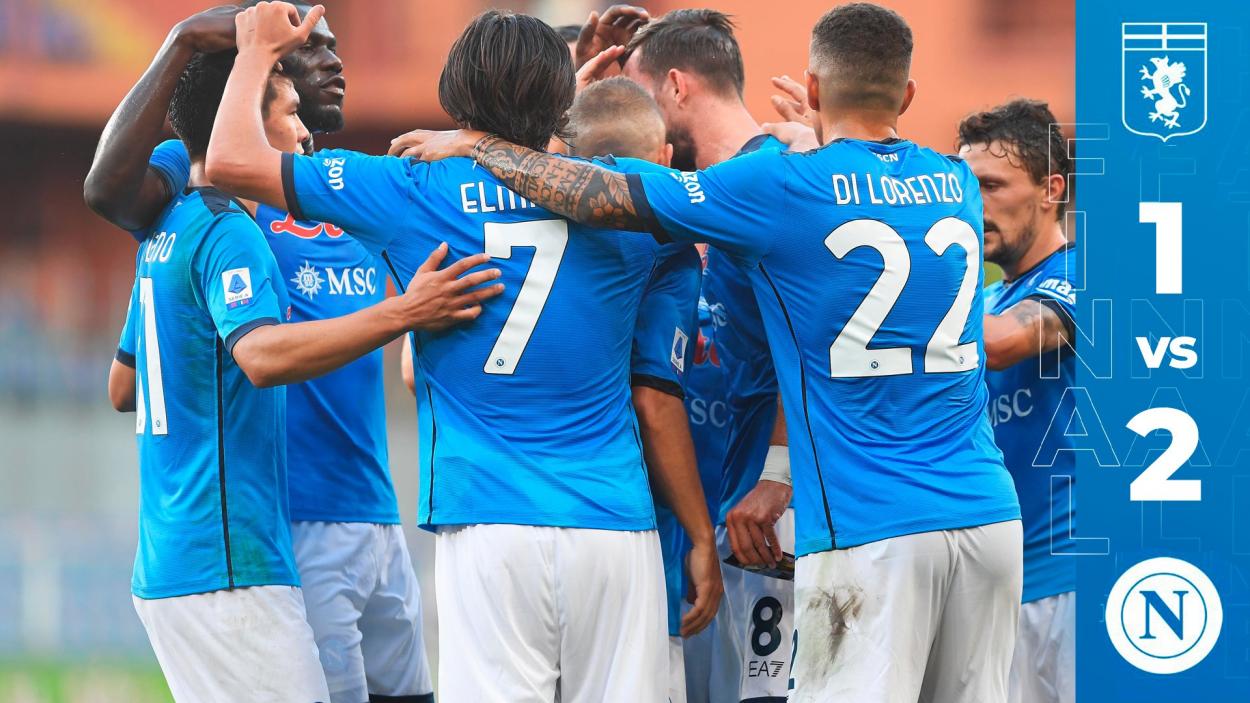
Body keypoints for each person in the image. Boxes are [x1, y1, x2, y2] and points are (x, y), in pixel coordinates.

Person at [397, 3, 1026, 701]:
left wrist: (481, 143)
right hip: (982, 509)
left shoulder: (774, 187)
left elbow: (605, 194)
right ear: (905, 96)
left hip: (852, 519)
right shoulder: (954, 184)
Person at [206, 5, 722, 702]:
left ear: (455, 94)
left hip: (488, 522)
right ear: (559, 107)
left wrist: (254, 52)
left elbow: (230, 161)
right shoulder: (629, 201)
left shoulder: (408, 188)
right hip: (614, 527)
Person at [105, 44, 499, 702]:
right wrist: (404, 312)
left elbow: (126, 383)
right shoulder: (224, 219)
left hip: (370, 514)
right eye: (309, 52)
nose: (334, 63)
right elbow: (253, 356)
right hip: (263, 534)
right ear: (246, 111)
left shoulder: (342, 193)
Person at [611, 11, 795, 702]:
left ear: (677, 87)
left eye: (637, 97)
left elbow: (808, 341)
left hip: (764, 519)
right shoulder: (700, 202)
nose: (633, 120)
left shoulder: (775, 178)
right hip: (705, 522)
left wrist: (778, 473)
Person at [567, 75, 703, 703]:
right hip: (625, 529)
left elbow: (409, 373)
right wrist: (702, 534)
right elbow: (653, 398)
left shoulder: (491, 218)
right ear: (664, 159)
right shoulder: (664, 246)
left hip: (492, 515)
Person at [960, 99, 1076, 703]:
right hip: (1000, 585)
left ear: (1050, 189)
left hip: (1076, 584)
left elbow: (1006, 344)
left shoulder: (1086, 273)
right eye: (964, 184)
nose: (974, 203)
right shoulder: (982, 301)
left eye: (992, 184)